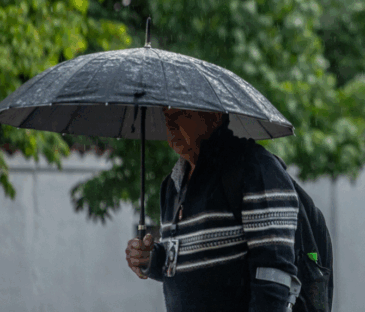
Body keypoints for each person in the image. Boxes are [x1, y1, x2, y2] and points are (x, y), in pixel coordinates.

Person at [125, 107, 300, 311]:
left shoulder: (255, 167)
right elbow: (186, 261)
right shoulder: (172, 185)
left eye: (181, 115)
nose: (171, 125)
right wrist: (152, 259)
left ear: (214, 116)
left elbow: (274, 272)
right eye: (166, 117)